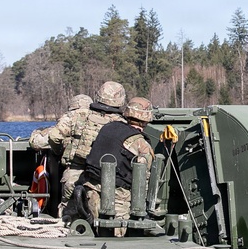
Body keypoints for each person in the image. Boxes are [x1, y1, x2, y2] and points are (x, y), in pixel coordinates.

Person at [43, 82, 126, 220]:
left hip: (74, 174)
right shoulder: (121, 124)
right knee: (101, 216)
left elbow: (54, 136)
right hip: (104, 180)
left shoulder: (77, 115)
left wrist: (59, 152)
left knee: (68, 217)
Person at [81, 96, 155, 236]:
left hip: (90, 192)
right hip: (117, 202)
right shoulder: (141, 144)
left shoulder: (107, 128)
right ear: (146, 119)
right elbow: (143, 179)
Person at [28, 93, 91, 215]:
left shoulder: (69, 119)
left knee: (67, 211)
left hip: (72, 175)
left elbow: (38, 142)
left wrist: (56, 149)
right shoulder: (100, 120)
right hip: (96, 176)